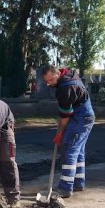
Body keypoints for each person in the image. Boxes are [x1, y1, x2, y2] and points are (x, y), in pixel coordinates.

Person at [41, 65, 95, 198]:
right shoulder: (70, 75)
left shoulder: (65, 89)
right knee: (78, 151)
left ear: (57, 74)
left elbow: (65, 118)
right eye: (46, 81)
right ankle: (78, 183)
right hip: (87, 116)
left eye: (50, 80)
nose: (49, 84)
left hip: (80, 118)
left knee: (69, 148)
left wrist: (59, 134)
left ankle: (65, 188)